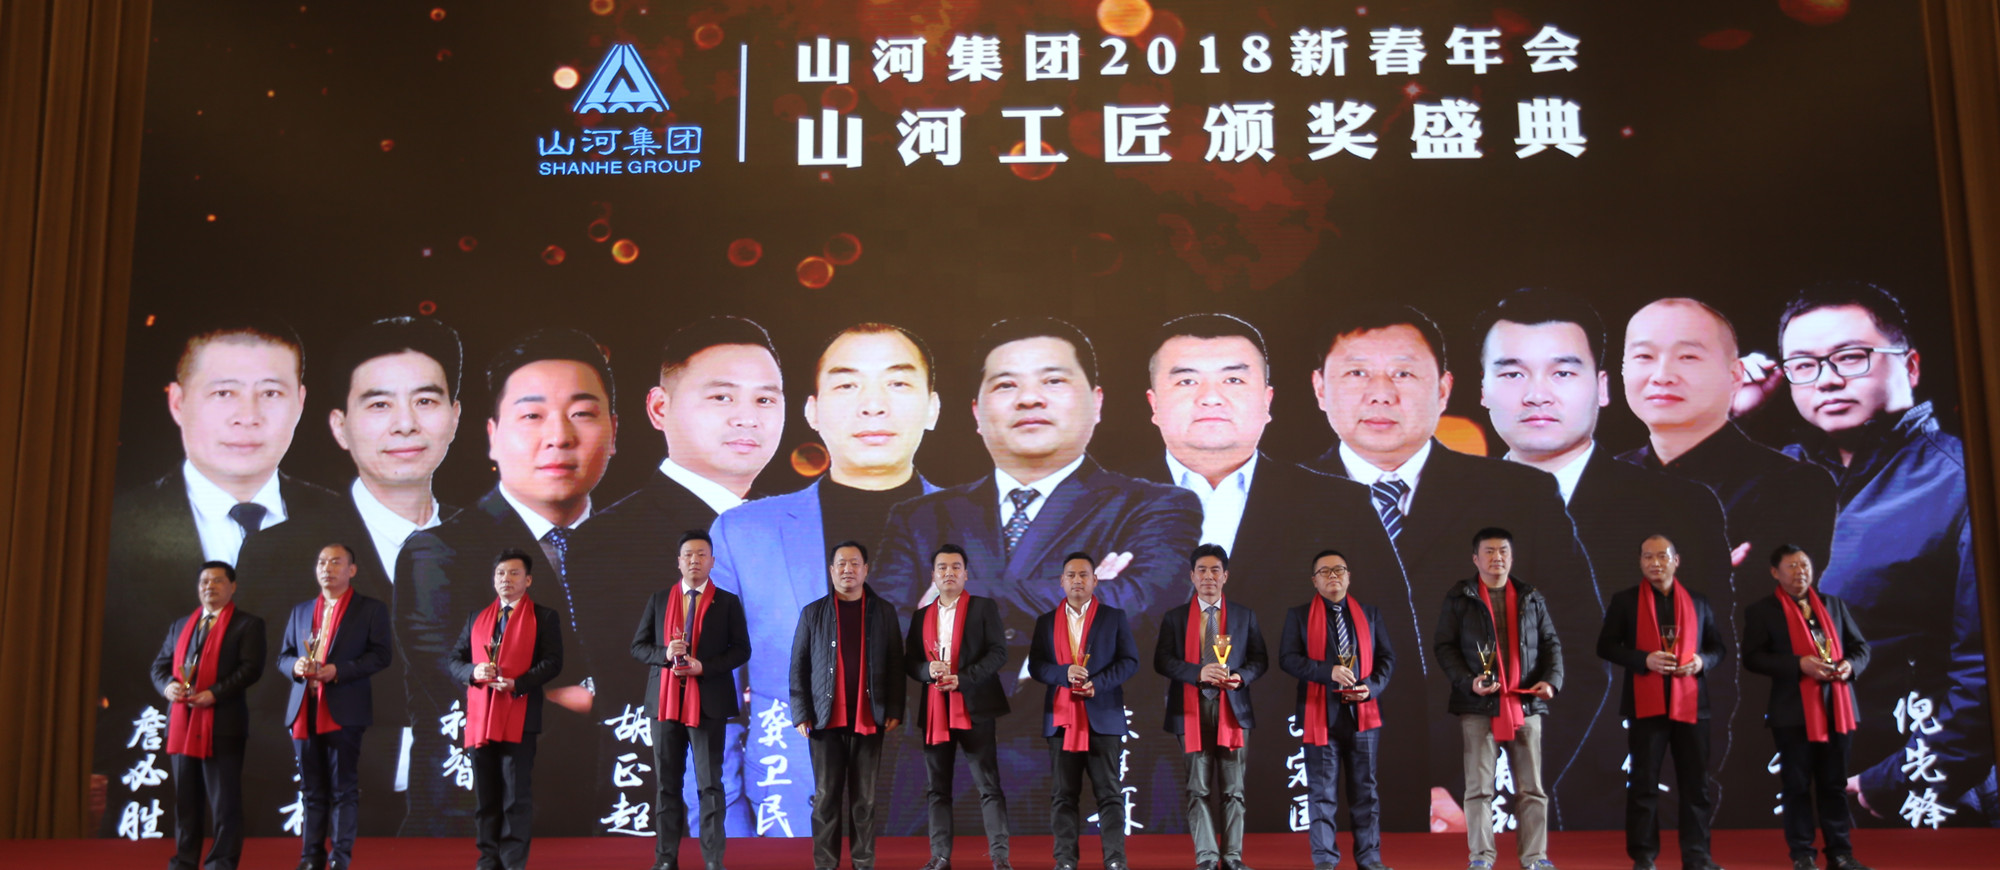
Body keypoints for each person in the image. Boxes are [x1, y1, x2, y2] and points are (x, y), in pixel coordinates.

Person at [1310, 302, 1595, 829]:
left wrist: (1490, 791)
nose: (1381, 393)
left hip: (1479, 804)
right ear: (1320, 389)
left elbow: (1575, 653)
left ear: (1443, 389)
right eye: (1356, 373)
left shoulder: (1522, 497)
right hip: (1321, 805)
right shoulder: (1281, 504)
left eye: (1403, 373)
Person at [1133, 313, 1409, 819]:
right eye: (1187, 381)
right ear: (1153, 404)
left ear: (1267, 400)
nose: (1210, 398)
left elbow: (1395, 654)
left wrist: (1414, 793)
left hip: (1295, 767)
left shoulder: (1340, 505)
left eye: (1234, 380)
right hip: (1145, 775)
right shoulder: (1103, 505)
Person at [1474, 289, 1733, 827]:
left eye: (1563, 373)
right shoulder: (1448, 508)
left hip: (1630, 801)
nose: (1537, 395)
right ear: (1482, 389)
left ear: (1603, 387)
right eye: (1513, 373)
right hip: (1473, 802)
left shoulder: (1678, 507)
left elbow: (1712, 665)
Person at [1736, 281, 1993, 823]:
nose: (1827, 379)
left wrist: (1890, 783)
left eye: (1851, 357)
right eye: (1803, 365)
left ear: (1911, 367)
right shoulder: (1776, 475)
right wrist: (1730, 417)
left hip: (1901, 799)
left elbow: (1983, 671)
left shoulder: (1964, 481)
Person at [100, 315, 341, 831]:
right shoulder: (108, 528)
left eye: (271, 393)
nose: (247, 417)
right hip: (159, 800)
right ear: (177, 402)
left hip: (308, 809)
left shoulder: (345, 523)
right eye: (224, 393)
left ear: (300, 402)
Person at [234, 314, 465, 830]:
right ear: (340, 426)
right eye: (379, 404)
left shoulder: (492, 546)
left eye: (425, 402)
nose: (405, 424)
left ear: (454, 417)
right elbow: (242, 719)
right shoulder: (279, 553)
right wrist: (397, 757)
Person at [708, 322, 939, 832]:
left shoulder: (984, 530)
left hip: (944, 817)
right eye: (847, 384)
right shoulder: (744, 532)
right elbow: (707, 701)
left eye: (898, 383)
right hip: (789, 815)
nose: (873, 405)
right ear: (812, 411)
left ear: (933, 408)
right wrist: (730, 835)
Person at [397, 328, 617, 834]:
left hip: (613, 826)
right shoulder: (440, 554)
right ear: (493, 436)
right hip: (480, 830)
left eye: (583, 413)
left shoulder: (643, 550)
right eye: (532, 416)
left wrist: (573, 694)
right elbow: (483, 695)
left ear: (614, 432)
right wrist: (615, 699)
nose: (559, 436)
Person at [569, 315, 782, 837]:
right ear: (659, 408)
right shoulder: (607, 540)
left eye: (765, 399)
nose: (747, 418)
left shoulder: (785, 529)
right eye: (722, 397)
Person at [1595, 536, 1727, 870]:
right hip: (1646, 706)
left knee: (1696, 786)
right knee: (1643, 784)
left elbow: (1718, 648)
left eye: (1662, 556)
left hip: (1693, 705)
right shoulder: (1625, 601)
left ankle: (1698, 856)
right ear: (1640, 561)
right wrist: (1644, 659)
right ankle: (1643, 856)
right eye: (1648, 557)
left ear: (1676, 560)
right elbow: (1606, 646)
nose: (1655, 563)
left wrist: (1701, 662)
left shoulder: (1698, 601)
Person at [1434, 529, 1562, 870]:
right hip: (1478, 704)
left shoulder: (1530, 597)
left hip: (1525, 702)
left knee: (1532, 788)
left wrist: (1551, 681)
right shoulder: (1460, 597)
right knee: (1478, 788)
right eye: (1489, 551)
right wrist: (1468, 682)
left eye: (1503, 551)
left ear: (1512, 557)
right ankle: (1480, 857)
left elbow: (1551, 643)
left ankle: (1535, 857)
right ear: (1475, 559)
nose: (1497, 557)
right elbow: (1444, 647)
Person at [1742, 546, 1874, 870]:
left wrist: (1849, 667)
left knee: (1834, 785)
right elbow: (1753, 658)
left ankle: (1840, 854)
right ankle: (1802, 855)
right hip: (1792, 712)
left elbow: (1861, 648)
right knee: (1797, 786)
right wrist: (1798, 664)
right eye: (1791, 566)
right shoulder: (1762, 611)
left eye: (1804, 565)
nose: (1799, 571)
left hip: (1837, 707)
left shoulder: (1833, 605)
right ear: (1775, 572)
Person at [632, 530, 752, 870]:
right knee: (667, 786)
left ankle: (713, 860)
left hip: (708, 703)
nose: (694, 560)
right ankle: (665, 860)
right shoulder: (659, 600)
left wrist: (704, 667)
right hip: (665, 705)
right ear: (679, 561)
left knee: (710, 784)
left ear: (712, 561)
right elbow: (638, 647)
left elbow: (742, 650)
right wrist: (664, 653)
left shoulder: (726, 602)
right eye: (688, 554)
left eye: (701, 554)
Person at [277, 543, 393, 870]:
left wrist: (337, 670)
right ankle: (310, 858)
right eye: (322, 562)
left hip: (344, 708)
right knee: (311, 790)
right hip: (304, 709)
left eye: (335, 562)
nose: (327, 568)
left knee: (343, 789)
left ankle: (339, 859)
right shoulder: (301, 610)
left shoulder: (370, 609)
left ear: (351, 570)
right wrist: (295, 666)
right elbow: (283, 657)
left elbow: (381, 655)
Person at [791, 541, 905, 870]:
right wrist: (800, 712)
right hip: (824, 720)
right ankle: (825, 864)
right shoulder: (813, 613)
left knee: (864, 801)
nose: (847, 569)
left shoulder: (884, 611)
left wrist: (895, 709)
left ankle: (863, 863)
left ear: (866, 569)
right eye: (841, 563)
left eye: (855, 563)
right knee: (826, 798)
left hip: (869, 718)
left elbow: (895, 663)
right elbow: (798, 666)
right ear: (831, 571)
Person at [447, 549, 564, 870]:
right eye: (500, 573)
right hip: (481, 719)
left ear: (528, 580)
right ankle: (488, 860)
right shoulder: (477, 618)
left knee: (515, 796)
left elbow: (553, 662)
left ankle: (512, 862)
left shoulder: (544, 617)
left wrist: (518, 683)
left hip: (520, 716)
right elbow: (454, 660)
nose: (506, 579)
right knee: (486, 797)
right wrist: (474, 671)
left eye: (514, 573)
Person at [1153, 544, 1267, 870]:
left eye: (1215, 570)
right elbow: (1162, 661)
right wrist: (1197, 672)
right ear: (1191, 576)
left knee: (1234, 791)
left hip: (1233, 710)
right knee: (1197, 789)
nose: (1208, 576)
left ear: (1225, 576)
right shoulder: (1175, 617)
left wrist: (1241, 677)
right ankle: (1206, 857)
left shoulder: (1244, 616)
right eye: (1201, 570)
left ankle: (1232, 858)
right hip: (1191, 711)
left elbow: (1260, 660)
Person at [1280, 550, 1395, 870]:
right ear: (1314, 580)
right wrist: (1326, 671)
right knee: (1321, 793)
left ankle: (1370, 859)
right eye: (1325, 571)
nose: (1333, 576)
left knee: (1366, 793)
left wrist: (1371, 688)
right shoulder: (1299, 616)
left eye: (1339, 570)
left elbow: (1387, 659)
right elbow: (1287, 659)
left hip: (1363, 715)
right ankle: (1325, 861)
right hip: (1320, 714)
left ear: (1348, 576)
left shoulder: (1370, 614)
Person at [903, 544, 1013, 870]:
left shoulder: (983, 607)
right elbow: (910, 662)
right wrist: (927, 671)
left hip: (975, 707)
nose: (948, 573)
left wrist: (962, 679)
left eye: (955, 567)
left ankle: (1000, 857)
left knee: (989, 786)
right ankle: (940, 856)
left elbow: (998, 653)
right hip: (935, 710)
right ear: (933, 575)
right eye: (942, 567)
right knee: (937, 789)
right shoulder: (921, 616)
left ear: (966, 574)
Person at [151, 560, 266, 870]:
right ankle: (184, 862)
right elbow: (160, 667)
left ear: (232, 586)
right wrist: (169, 688)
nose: (209, 587)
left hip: (222, 725)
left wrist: (214, 693)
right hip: (182, 723)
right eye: (204, 582)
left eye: (217, 581)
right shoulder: (181, 625)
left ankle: (221, 864)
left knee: (224, 803)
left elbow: (250, 669)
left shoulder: (247, 624)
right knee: (186, 802)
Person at [1029, 552, 1140, 870]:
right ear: (1061, 581)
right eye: (1071, 575)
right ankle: (1065, 860)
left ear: (1095, 580)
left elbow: (1129, 661)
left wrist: (1098, 684)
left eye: (1083, 575)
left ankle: (1115, 860)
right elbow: (1037, 666)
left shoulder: (1113, 617)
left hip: (1103, 715)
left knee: (1110, 793)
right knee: (1063, 794)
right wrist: (1063, 673)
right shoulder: (1046, 621)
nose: (1077, 580)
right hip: (1061, 719)